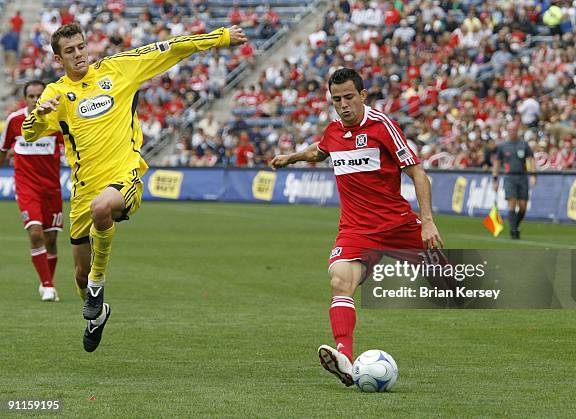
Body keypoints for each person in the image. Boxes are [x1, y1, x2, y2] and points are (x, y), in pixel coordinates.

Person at [22, 23, 247, 352]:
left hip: (124, 175)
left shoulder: (119, 68)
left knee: (102, 212)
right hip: (84, 189)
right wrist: (38, 115)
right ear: (58, 60)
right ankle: (97, 311)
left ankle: (99, 286)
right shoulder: (55, 94)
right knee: (79, 276)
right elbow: (29, 133)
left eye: (81, 47)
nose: (79, 54)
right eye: (70, 51)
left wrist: (220, 38)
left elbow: (170, 47)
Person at [270, 68, 443, 387]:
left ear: (363, 95)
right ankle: (344, 359)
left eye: (349, 97)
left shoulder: (382, 127)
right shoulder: (334, 131)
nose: (343, 105)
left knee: (458, 281)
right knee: (339, 281)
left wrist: (428, 221)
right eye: (337, 100)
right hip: (356, 231)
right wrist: (291, 158)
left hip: (397, 225)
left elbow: (418, 173)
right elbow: (318, 151)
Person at [1, 80, 64, 302]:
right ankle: (48, 285)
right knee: (35, 233)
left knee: (51, 239)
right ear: (24, 98)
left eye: (40, 95)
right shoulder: (15, 121)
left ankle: (47, 280)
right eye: (31, 96)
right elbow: (3, 151)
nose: (36, 100)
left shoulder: (56, 122)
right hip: (26, 187)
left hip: (52, 188)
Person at [492, 123, 536, 239]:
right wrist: (495, 179)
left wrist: (533, 175)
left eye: (514, 130)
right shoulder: (503, 146)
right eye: (510, 130)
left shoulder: (524, 144)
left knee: (523, 206)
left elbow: (531, 159)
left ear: (517, 130)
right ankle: (513, 230)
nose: (512, 132)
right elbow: (497, 163)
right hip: (509, 177)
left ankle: (515, 226)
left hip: (522, 177)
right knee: (512, 202)